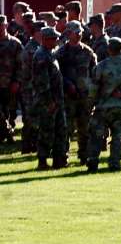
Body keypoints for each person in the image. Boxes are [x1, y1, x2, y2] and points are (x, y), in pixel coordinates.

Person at [86, 37, 121, 172]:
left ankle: (93, 162)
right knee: (118, 136)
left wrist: (90, 104)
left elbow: (93, 88)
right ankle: (115, 163)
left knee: (97, 136)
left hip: (103, 107)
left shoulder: (101, 66)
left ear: (109, 49)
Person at [54, 21, 96, 163]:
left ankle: (85, 156)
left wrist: (92, 93)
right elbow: (57, 74)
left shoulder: (88, 52)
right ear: (69, 33)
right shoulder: (61, 53)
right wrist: (67, 85)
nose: (78, 35)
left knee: (85, 128)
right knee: (67, 128)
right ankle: (62, 157)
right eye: (75, 33)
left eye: (80, 33)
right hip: (68, 96)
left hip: (84, 97)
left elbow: (94, 73)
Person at [29, 27, 69, 170]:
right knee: (46, 131)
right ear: (46, 39)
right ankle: (43, 161)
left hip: (57, 101)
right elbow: (42, 83)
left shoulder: (50, 54)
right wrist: (49, 101)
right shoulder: (41, 56)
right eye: (54, 38)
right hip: (48, 102)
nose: (56, 41)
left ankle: (59, 160)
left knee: (60, 130)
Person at [0, 18, 23, 145]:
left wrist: (17, 81)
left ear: (6, 25)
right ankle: (7, 132)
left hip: (10, 84)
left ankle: (7, 134)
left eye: (1, 25)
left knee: (9, 112)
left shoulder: (15, 44)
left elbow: (21, 65)